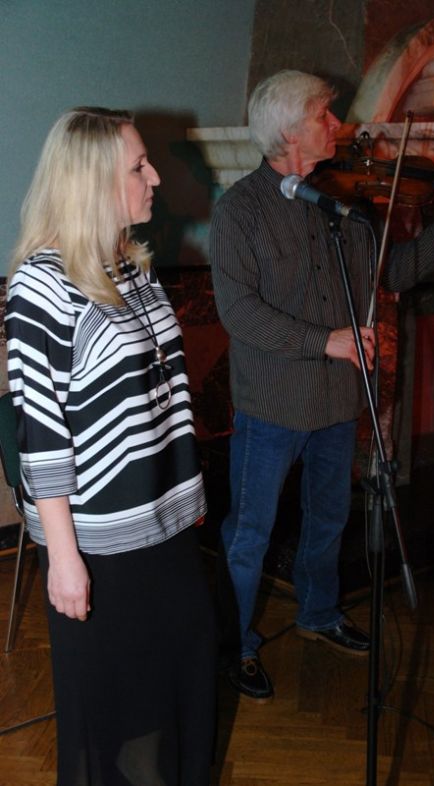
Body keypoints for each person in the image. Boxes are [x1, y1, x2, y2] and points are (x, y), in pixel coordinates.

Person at [209, 69, 434, 703]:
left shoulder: (339, 210)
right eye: (324, 115)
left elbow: (392, 274)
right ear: (290, 131)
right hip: (273, 406)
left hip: (338, 402)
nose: (338, 126)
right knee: (250, 533)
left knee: (330, 517)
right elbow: (239, 312)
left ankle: (317, 613)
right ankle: (236, 645)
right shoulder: (238, 211)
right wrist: (326, 340)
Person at [6, 108, 216, 786]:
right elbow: (41, 435)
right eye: (137, 167)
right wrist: (64, 560)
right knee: (117, 713)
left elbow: (170, 394)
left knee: (185, 684)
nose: (154, 177)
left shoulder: (131, 265)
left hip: (166, 524)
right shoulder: (41, 284)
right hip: (100, 544)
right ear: (93, 181)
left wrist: (188, 495)